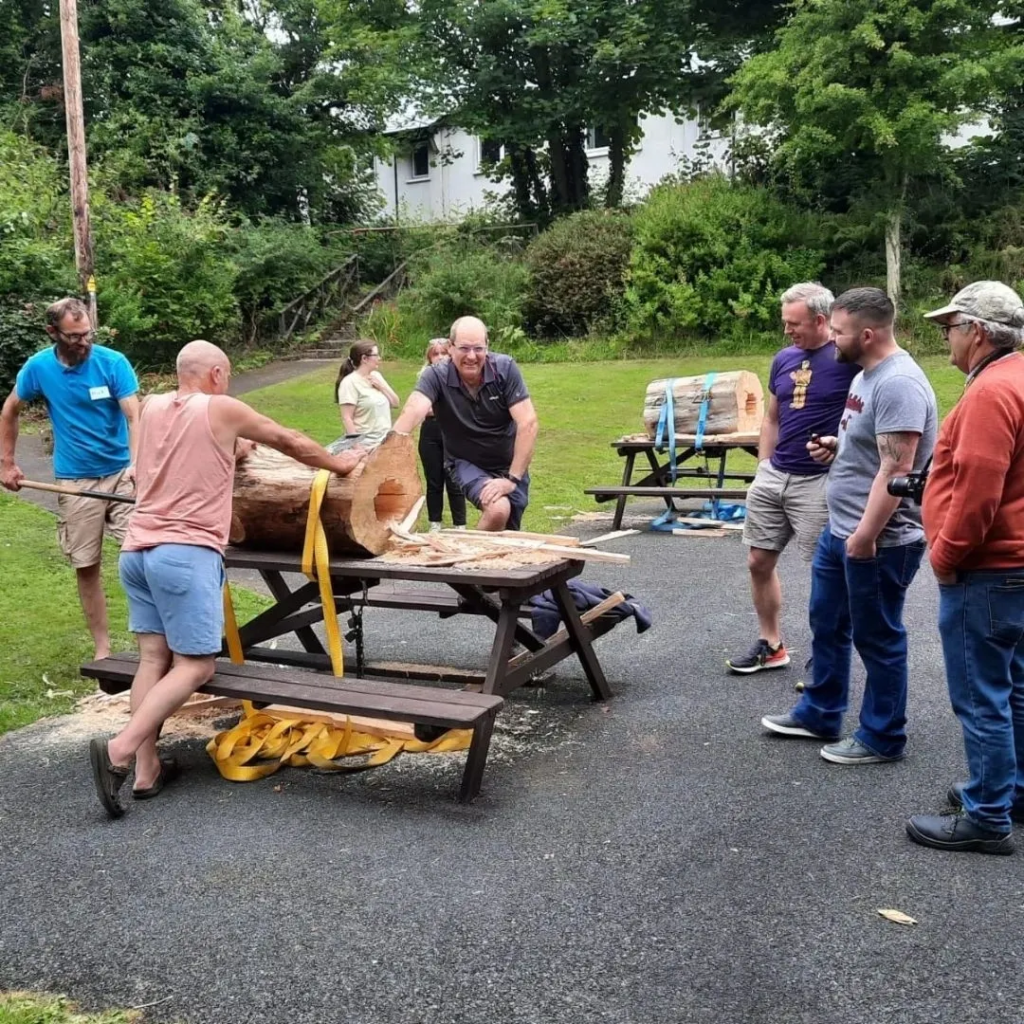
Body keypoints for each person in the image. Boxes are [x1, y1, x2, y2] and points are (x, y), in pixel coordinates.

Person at [88, 340, 366, 819]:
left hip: (137, 550)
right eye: (229, 374)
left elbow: (182, 456)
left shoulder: (152, 407)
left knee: (154, 659)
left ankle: (148, 771)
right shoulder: (221, 408)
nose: (229, 382)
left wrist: (236, 450)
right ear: (217, 373)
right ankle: (122, 750)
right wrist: (342, 464)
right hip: (184, 554)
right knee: (196, 667)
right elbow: (291, 441)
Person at [761, 287, 938, 764]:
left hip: (878, 539)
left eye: (837, 331)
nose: (830, 340)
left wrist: (865, 537)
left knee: (878, 637)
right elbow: (871, 451)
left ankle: (883, 736)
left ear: (866, 333)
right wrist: (834, 448)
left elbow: (897, 471)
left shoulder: (897, 382)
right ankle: (820, 711)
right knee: (828, 623)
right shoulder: (865, 374)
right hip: (841, 532)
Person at [905, 282, 1024, 855]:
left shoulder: (990, 393)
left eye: (949, 328)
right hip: (1015, 566)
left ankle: (987, 816)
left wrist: (946, 555)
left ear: (977, 332)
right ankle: (1011, 791)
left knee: (981, 696)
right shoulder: (1017, 378)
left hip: (987, 569)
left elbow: (978, 492)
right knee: (1013, 689)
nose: (946, 339)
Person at [727, 282, 859, 674]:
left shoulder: (848, 358)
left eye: (794, 323)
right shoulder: (784, 358)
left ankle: (829, 656)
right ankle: (772, 644)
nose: (787, 330)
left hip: (820, 481)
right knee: (757, 560)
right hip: (775, 475)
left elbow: (867, 417)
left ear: (821, 320)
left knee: (828, 572)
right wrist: (764, 466)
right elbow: (772, 417)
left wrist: (841, 448)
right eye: (785, 322)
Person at [0, 297, 139, 660]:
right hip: (76, 481)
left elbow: (135, 417)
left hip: (123, 473)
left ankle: (151, 646)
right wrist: (7, 464)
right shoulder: (39, 368)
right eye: (75, 335)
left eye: (87, 332)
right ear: (53, 332)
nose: (83, 341)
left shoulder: (112, 363)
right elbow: (10, 410)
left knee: (141, 558)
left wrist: (138, 465)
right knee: (86, 563)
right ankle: (103, 649)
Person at [392, 316, 538, 532]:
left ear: (487, 347)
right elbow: (413, 410)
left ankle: (479, 562)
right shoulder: (436, 376)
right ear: (451, 348)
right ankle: (468, 560)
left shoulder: (505, 369)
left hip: (509, 463)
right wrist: (384, 452)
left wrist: (511, 478)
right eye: (464, 348)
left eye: (478, 348)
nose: (471, 356)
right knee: (498, 509)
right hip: (465, 462)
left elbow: (528, 423)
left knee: (508, 531)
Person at [417, 338, 467, 532]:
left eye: (443, 353)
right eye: (435, 354)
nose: (439, 357)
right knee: (434, 480)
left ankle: (460, 524)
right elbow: (423, 410)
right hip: (430, 431)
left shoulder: (459, 376)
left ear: (450, 354)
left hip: (453, 432)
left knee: (454, 479)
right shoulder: (425, 377)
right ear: (429, 358)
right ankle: (434, 522)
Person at [333, 339, 399, 450]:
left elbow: (396, 403)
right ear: (364, 358)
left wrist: (381, 387)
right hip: (365, 446)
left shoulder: (376, 376)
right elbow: (347, 418)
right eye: (376, 355)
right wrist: (358, 448)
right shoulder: (349, 383)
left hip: (384, 445)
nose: (379, 358)